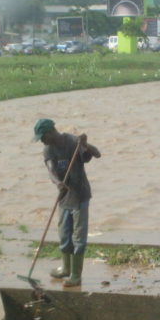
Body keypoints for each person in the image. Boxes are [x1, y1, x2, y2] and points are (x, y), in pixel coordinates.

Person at [33, 118, 101, 287]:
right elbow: (51, 170)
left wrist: (85, 144)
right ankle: (66, 268)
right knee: (64, 235)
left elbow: (96, 154)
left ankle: (76, 275)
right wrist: (58, 183)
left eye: (43, 137)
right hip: (64, 197)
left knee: (78, 237)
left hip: (80, 195)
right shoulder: (48, 149)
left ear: (50, 132)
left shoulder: (72, 142)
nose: (42, 141)